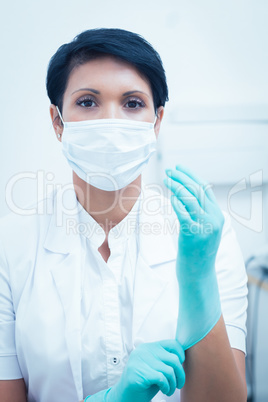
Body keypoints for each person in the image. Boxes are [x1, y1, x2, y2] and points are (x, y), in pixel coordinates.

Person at [0, 28, 248, 402]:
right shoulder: (11, 244)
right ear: (57, 122)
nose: (111, 122)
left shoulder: (206, 236)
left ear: (157, 121)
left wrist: (198, 277)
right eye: (87, 102)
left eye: (133, 103)